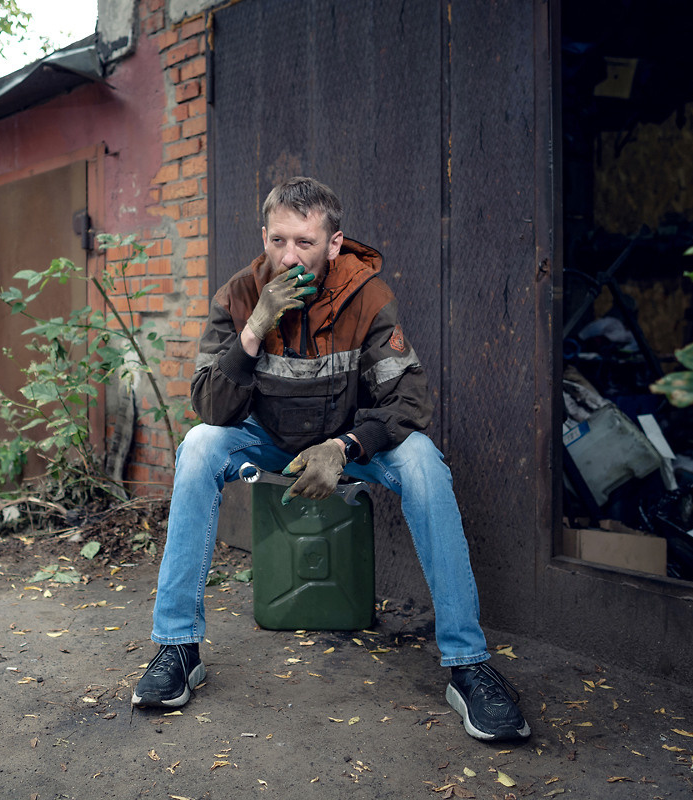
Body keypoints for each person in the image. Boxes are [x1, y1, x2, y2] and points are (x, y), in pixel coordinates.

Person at [131, 176, 530, 742]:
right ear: (264, 237)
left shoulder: (366, 295)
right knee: (197, 446)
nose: (288, 257)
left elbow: (410, 401)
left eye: (304, 243)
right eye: (277, 242)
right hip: (266, 438)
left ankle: (467, 665)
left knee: (423, 463)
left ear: (335, 243)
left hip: (347, 443)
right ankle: (177, 649)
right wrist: (252, 330)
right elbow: (210, 406)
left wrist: (346, 447)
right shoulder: (240, 295)